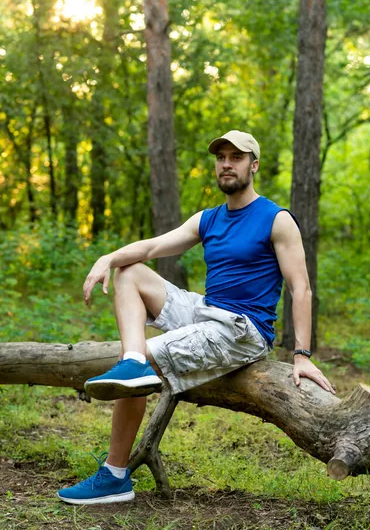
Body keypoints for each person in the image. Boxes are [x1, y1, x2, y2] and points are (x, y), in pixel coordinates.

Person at [57, 130, 335, 505]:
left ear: (253, 165)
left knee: (151, 358)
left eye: (236, 157)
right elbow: (154, 246)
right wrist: (108, 258)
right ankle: (132, 361)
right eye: (221, 157)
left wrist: (302, 355)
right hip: (207, 311)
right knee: (130, 271)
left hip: (242, 330)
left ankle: (115, 476)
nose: (226, 164)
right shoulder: (209, 219)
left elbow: (301, 288)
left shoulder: (276, 219)